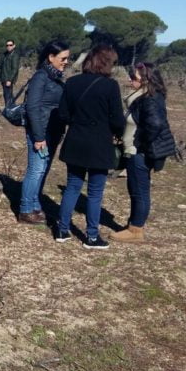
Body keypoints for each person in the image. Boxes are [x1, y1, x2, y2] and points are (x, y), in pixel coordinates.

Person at [56, 44, 126, 249]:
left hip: (76, 140)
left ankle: (62, 229)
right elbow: (118, 121)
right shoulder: (110, 86)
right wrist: (117, 134)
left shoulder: (72, 82)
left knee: (72, 187)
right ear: (107, 64)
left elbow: (63, 114)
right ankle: (92, 237)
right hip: (99, 143)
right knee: (95, 193)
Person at [110, 63, 175, 243]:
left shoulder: (149, 99)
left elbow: (155, 124)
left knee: (139, 190)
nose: (130, 80)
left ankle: (136, 230)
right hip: (135, 150)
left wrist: (139, 143)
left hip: (139, 152)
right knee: (136, 189)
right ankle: (134, 224)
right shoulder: (144, 97)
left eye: (134, 78)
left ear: (146, 79)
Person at [18, 41, 69, 224]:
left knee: (43, 170)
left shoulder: (56, 77)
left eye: (67, 58)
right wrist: (39, 137)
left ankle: (35, 204)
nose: (66, 61)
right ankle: (25, 209)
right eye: (63, 58)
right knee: (36, 169)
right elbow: (32, 107)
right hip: (41, 132)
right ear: (51, 57)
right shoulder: (41, 77)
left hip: (53, 132)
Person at [0, 39, 21, 106]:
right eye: (7, 45)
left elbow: (15, 69)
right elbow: (0, 65)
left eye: (10, 45)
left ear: (14, 46)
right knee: (6, 94)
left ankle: (9, 109)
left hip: (8, 79)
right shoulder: (5, 54)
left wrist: (10, 80)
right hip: (3, 78)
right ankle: (10, 108)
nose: (8, 46)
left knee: (8, 95)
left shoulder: (15, 55)